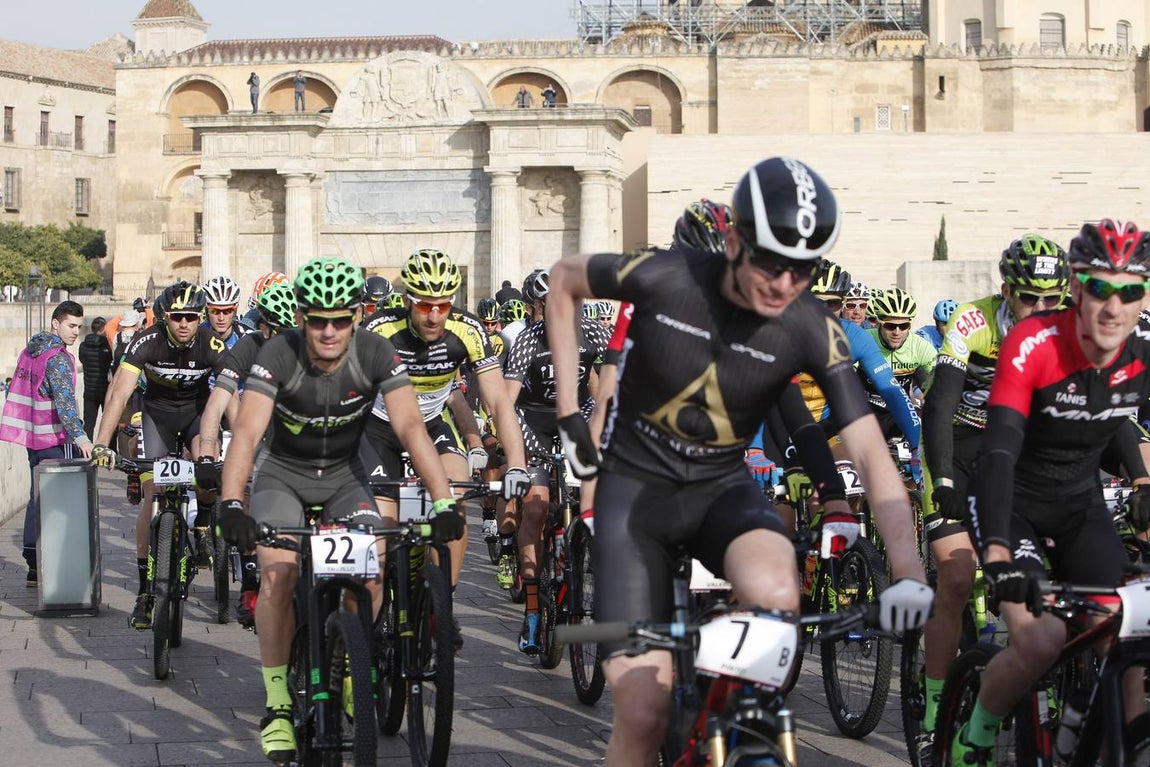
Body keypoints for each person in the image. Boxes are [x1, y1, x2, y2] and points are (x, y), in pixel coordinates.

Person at [546, 156, 933, 765]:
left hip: (717, 489)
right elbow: (564, 278)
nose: (784, 284)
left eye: (803, 268)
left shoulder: (811, 324)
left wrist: (909, 571)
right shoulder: (668, 276)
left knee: (778, 580)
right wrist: (570, 411)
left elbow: (866, 448)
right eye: (771, 261)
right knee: (643, 714)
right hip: (636, 496)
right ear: (732, 240)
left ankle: (737, 715)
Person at [213, 257, 458, 763]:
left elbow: (413, 428)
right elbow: (248, 433)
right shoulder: (278, 354)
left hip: (347, 478)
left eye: (340, 319)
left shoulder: (376, 351)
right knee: (278, 574)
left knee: (371, 574)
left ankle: (349, 663)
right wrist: (233, 501)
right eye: (317, 319)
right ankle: (279, 700)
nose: (328, 331)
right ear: (301, 316)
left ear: (355, 317)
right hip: (283, 476)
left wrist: (445, 500)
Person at [951, 220, 1150, 764]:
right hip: (1009, 502)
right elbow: (997, 450)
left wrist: (1142, 484)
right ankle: (979, 734)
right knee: (1040, 641)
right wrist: (993, 549)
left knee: (1130, 641)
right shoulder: (1034, 341)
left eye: (1130, 290)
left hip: (1079, 506)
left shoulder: (1140, 350)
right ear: (1077, 289)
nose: (1113, 307)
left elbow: (1122, 427)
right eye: (1099, 288)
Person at [919, 232, 1070, 763]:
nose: (1042, 309)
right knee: (958, 577)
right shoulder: (973, 321)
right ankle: (936, 709)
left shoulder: (1065, 328)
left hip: (1014, 449)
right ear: (1006, 289)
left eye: (1053, 298)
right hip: (957, 446)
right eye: (1030, 297)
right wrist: (941, 481)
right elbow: (939, 404)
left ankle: (1035, 678)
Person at [92, 281, 227, 630]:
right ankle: (144, 592)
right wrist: (102, 444)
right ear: (165, 317)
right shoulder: (145, 341)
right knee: (151, 495)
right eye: (177, 317)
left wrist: (241, 443)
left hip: (198, 416)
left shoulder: (212, 345)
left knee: (206, 466)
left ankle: (201, 522)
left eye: (192, 317)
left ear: (201, 318)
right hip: (157, 417)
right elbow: (119, 393)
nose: (184, 323)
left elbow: (232, 399)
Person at [0, 301, 92, 586]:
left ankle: (32, 562)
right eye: (71, 325)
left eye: (79, 326)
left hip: (32, 439)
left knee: (36, 497)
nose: (76, 332)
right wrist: (80, 437)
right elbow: (65, 403)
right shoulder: (57, 357)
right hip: (55, 438)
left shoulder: (30, 352)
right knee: (60, 503)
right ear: (56, 323)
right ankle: (57, 564)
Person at [78, 316, 113, 438]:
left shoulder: (83, 346)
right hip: (105, 391)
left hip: (89, 391)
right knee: (109, 423)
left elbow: (82, 360)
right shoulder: (107, 346)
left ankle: (86, 453)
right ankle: (109, 449)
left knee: (88, 424)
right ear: (104, 329)